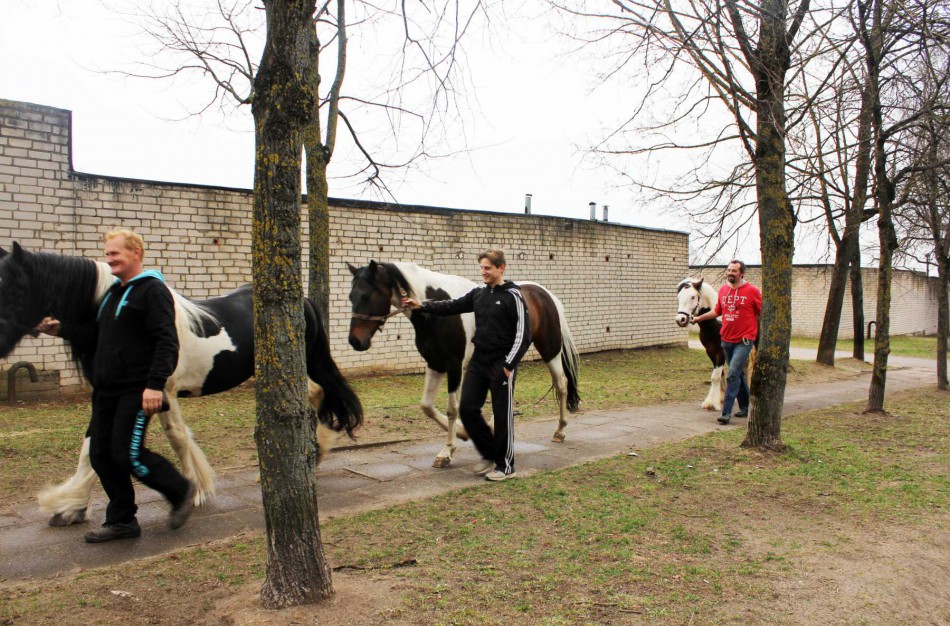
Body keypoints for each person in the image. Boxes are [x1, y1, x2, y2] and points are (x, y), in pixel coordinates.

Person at [79, 229, 195, 543]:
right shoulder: (114, 294)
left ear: (136, 254)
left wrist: (155, 385)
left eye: (115, 253)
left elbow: (166, 342)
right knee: (101, 456)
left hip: (137, 390)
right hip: (106, 392)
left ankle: (181, 490)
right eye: (108, 253)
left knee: (127, 455)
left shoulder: (152, 291)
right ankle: (122, 521)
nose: (109, 258)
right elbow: (98, 336)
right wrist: (58, 328)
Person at [402, 250, 531, 481]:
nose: (483, 272)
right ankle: (490, 453)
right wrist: (420, 305)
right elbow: (451, 305)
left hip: (501, 363)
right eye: (481, 267)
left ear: (501, 268)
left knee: (502, 415)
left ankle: (506, 466)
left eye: (488, 268)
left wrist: (509, 364)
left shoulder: (514, 295)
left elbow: (524, 334)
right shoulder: (479, 294)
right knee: (468, 409)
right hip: (479, 361)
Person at [690, 260, 762, 425]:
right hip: (726, 340)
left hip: (744, 341)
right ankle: (745, 406)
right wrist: (699, 318)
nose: (730, 273)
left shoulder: (752, 291)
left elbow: (762, 312)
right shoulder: (723, 290)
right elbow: (717, 311)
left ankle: (726, 412)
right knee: (739, 374)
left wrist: (755, 333)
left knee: (732, 374)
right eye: (729, 270)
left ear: (741, 273)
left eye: (734, 271)